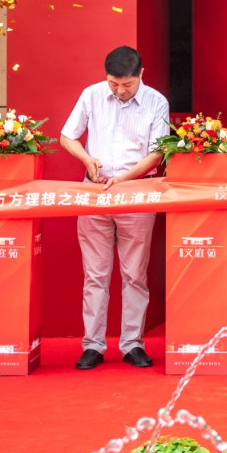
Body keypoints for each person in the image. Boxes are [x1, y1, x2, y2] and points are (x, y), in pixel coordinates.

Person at [59, 46, 171, 371]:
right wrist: (86, 158)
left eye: (127, 85)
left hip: (136, 193)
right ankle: (92, 345)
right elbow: (67, 136)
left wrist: (124, 178)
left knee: (134, 274)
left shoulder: (156, 102)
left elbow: (157, 153)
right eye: (114, 84)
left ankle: (132, 344)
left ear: (141, 75)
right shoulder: (92, 95)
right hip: (95, 192)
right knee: (95, 274)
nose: (120, 91)